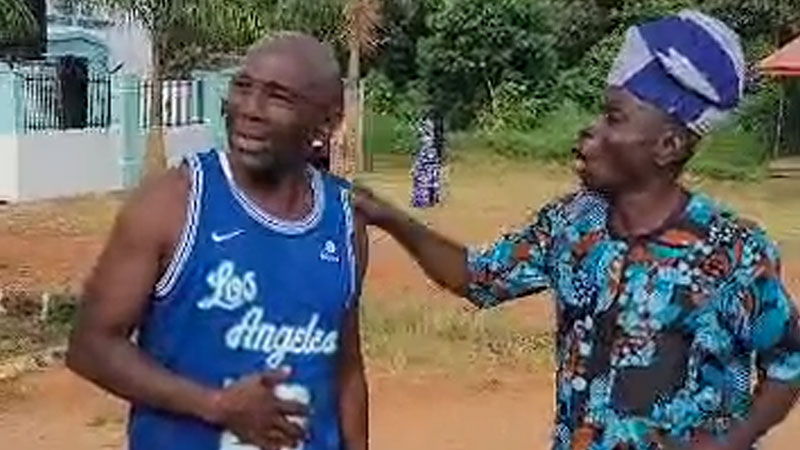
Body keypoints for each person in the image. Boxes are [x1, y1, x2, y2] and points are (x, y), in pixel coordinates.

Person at [354, 11, 800, 450]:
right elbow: (479, 277)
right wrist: (389, 216)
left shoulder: (733, 251)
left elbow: (789, 361)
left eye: (613, 118)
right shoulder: (571, 224)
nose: (590, 131)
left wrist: (735, 440)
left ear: (668, 146)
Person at [67, 32, 368, 450]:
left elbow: (346, 367)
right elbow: (91, 346)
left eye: (277, 97)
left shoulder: (343, 220)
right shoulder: (172, 204)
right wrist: (216, 405)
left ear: (327, 122)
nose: (250, 109)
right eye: (242, 87)